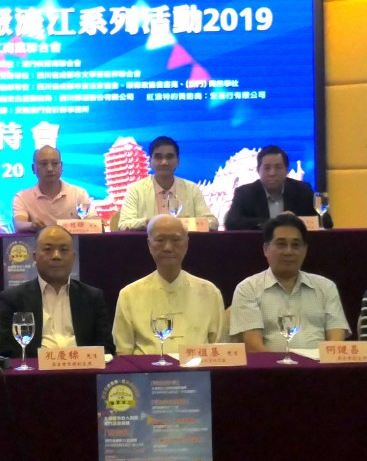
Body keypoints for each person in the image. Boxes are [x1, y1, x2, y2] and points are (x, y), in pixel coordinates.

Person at [230, 213, 349, 352]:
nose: (289, 251)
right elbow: (253, 346)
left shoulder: (326, 287)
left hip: (319, 364)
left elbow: (336, 340)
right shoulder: (248, 288)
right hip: (270, 365)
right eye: (281, 244)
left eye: (295, 245)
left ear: (305, 250)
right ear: (266, 249)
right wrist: (283, 365)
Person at [113, 215, 225, 354]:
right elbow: (123, 353)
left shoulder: (210, 292)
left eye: (175, 240)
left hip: (196, 367)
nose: (167, 247)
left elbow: (220, 349)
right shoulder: (129, 294)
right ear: (149, 244)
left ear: (186, 244)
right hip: (145, 368)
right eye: (160, 240)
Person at [0, 225, 114, 357]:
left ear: (73, 258)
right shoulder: (13, 298)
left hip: (83, 367)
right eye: (48, 249)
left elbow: (106, 348)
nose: (56, 256)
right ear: (34, 257)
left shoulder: (92, 297)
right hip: (35, 368)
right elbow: (7, 351)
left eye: (63, 250)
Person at [117, 136, 217, 231]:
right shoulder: (136, 189)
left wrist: (181, 223)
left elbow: (212, 223)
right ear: (150, 161)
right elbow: (123, 225)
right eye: (158, 157)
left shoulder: (192, 189)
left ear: (178, 161)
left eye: (169, 157)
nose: (164, 162)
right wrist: (150, 221)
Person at [223, 145, 332, 230]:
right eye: (267, 168)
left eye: (278, 167)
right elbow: (231, 223)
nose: (272, 173)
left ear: (286, 170)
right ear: (258, 170)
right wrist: (273, 222)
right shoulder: (244, 193)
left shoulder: (303, 190)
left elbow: (327, 222)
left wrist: (294, 221)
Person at [12, 145, 91, 232]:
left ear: (61, 166)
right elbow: (19, 224)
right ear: (33, 168)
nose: (50, 169)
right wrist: (31, 225)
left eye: (55, 163)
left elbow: (92, 220)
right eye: (44, 164)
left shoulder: (79, 194)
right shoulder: (22, 197)